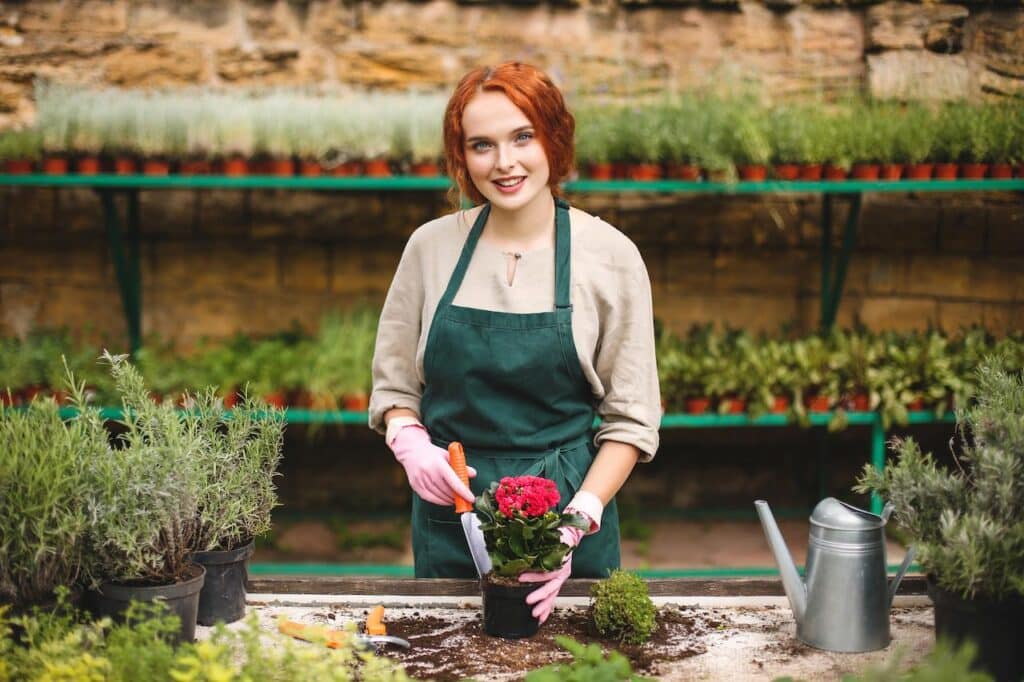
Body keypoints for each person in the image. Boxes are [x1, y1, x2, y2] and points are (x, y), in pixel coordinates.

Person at [369, 62, 660, 624]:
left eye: (522, 137)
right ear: (462, 157)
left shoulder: (610, 256)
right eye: (482, 145)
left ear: (554, 137)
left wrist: (575, 525)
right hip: (453, 511)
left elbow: (631, 421)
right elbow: (395, 386)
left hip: (571, 513)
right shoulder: (430, 248)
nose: (504, 163)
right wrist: (410, 443)